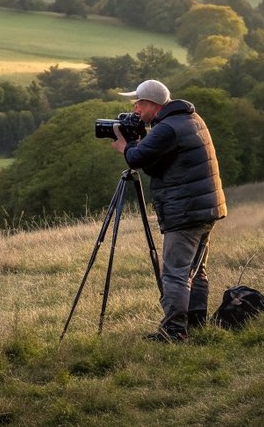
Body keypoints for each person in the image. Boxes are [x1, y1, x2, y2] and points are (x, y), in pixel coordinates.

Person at [111, 79, 227, 342]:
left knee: (174, 272)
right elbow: (158, 165)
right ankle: (195, 324)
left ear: (152, 104)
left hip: (185, 210)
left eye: (138, 103)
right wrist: (140, 143)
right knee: (194, 270)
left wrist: (125, 147)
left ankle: (174, 330)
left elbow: (138, 160)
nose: (136, 108)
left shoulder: (167, 128)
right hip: (205, 207)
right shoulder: (189, 119)